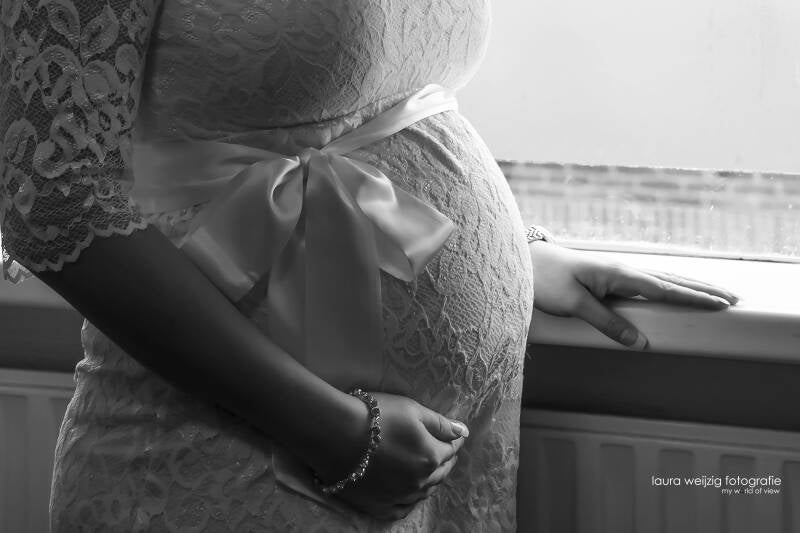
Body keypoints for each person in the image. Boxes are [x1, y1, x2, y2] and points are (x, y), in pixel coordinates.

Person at [0, 1, 737, 530]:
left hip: (446, 456)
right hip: (240, 449)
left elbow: (383, 95)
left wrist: (513, 248)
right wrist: (332, 432)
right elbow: (48, 196)